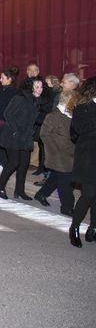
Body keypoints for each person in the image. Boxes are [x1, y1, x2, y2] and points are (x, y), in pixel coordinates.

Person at [0, 77, 43, 200]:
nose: (40, 89)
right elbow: (8, 114)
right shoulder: (20, 98)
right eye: (37, 87)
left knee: (24, 164)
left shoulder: (36, 100)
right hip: (13, 136)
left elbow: (33, 118)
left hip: (25, 137)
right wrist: (16, 130)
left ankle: (19, 191)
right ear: (30, 87)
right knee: (14, 162)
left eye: (41, 87)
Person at [35, 90, 76, 215]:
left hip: (69, 154)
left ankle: (41, 194)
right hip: (59, 155)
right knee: (66, 182)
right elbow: (44, 134)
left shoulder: (70, 114)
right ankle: (67, 207)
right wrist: (55, 150)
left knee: (56, 178)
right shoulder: (54, 115)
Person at [68, 77, 96, 247]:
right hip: (87, 157)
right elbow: (79, 130)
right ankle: (75, 227)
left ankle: (93, 228)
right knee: (89, 194)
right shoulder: (82, 108)